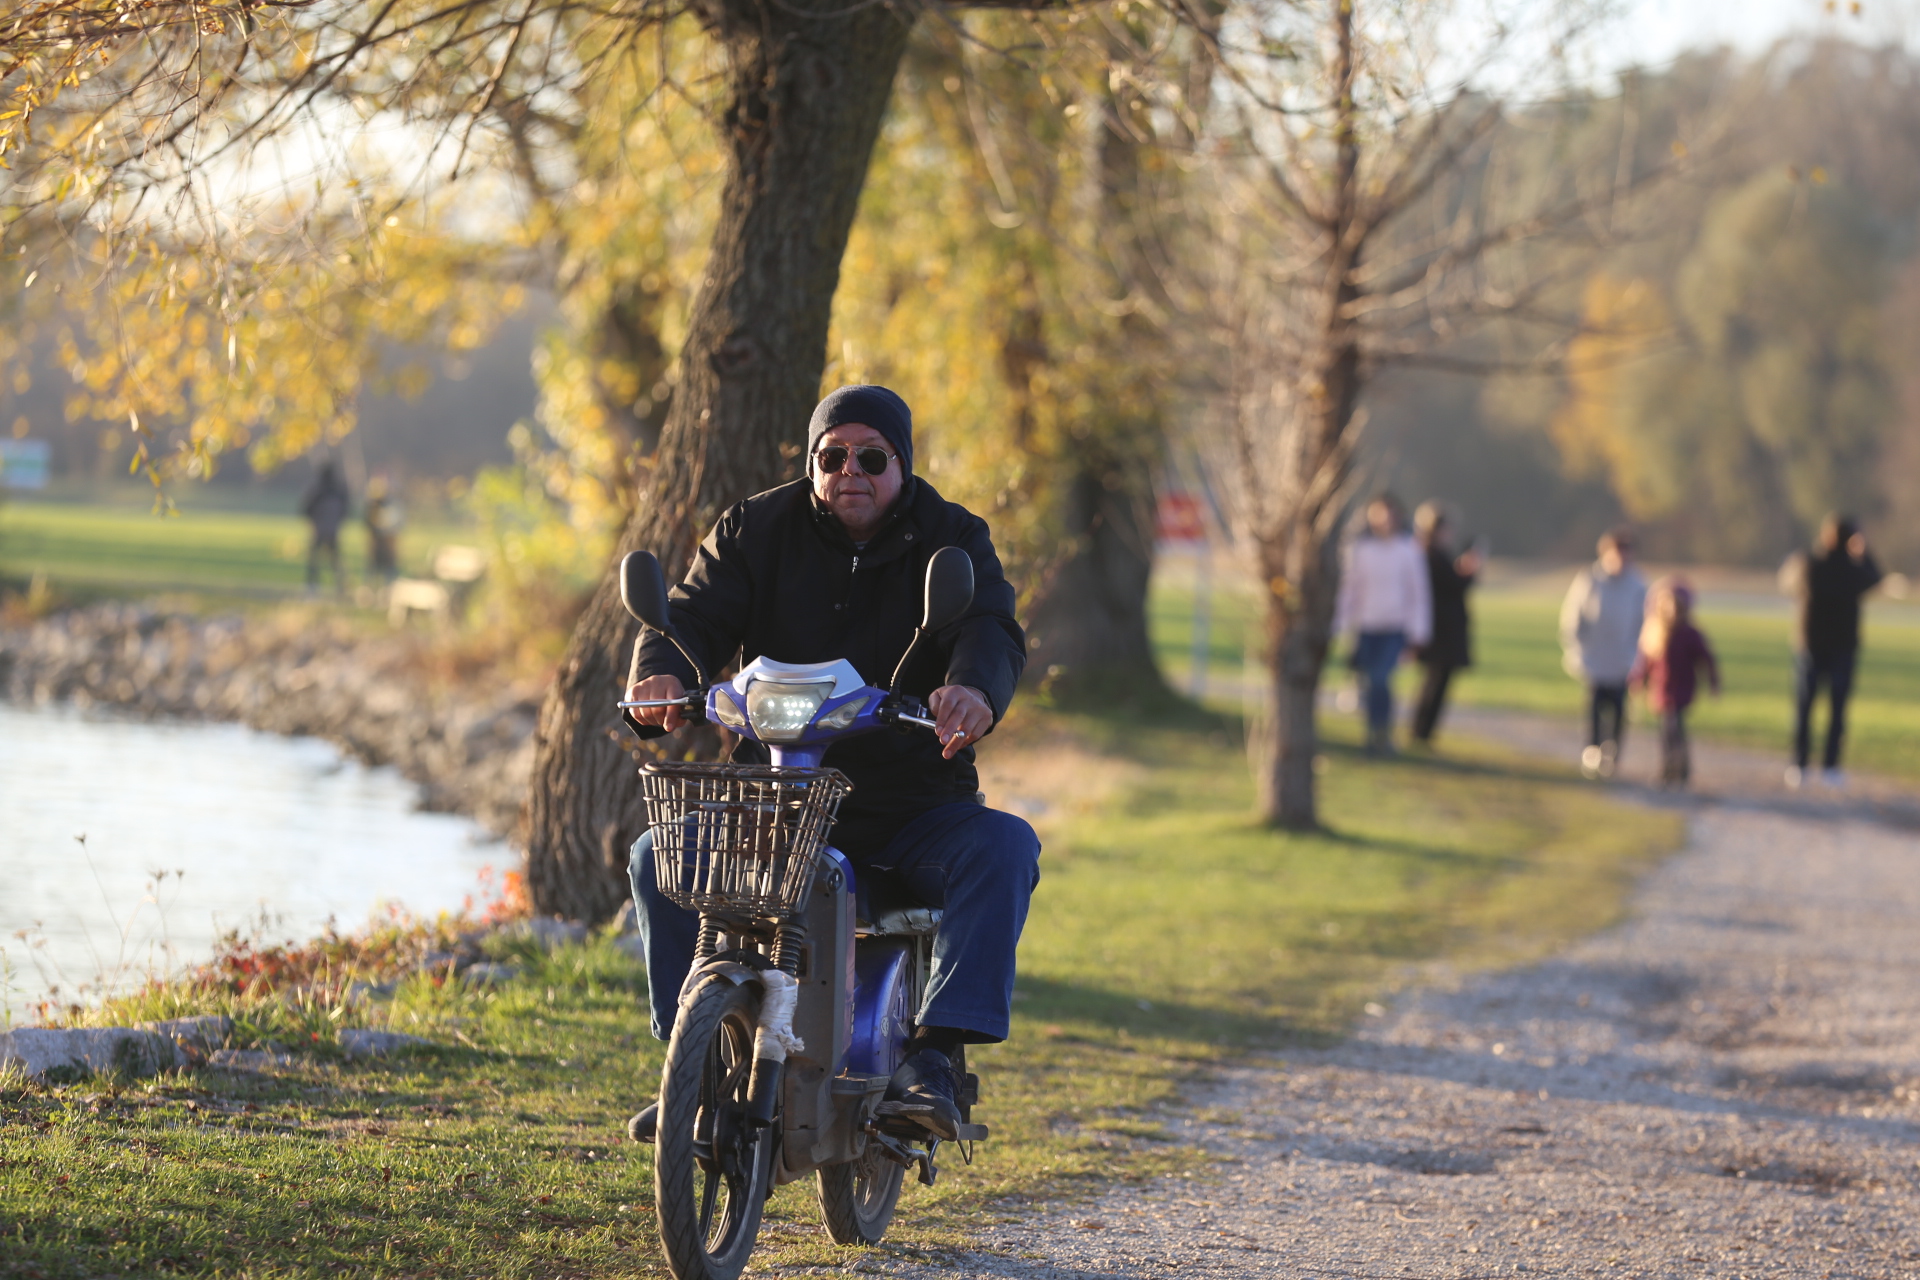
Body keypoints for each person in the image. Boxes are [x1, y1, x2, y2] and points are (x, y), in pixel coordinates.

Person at [623, 385, 1039, 1145]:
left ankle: (937, 1058)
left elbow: (989, 627)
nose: (851, 471)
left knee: (1005, 847)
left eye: (872, 458)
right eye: (832, 456)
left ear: (901, 465)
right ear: (812, 464)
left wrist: (973, 690)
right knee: (659, 855)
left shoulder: (953, 536)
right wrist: (660, 672)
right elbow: (693, 612)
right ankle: (691, 1063)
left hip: (912, 808)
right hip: (775, 803)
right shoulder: (754, 527)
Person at [1780, 513, 1882, 788]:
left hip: (1810, 645)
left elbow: (1788, 583)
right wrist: (1863, 552)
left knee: (1804, 707)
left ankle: (1799, 764)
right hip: (1842, 648)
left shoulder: (1809, 563)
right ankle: (1831, 767)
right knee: (1837, 710)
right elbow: (1875, 578)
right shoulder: (1852, 570)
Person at [1334, 492, 1431, 755]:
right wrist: (1341, 624)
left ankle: (1383, 733)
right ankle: (1372, 734)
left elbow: (1418, 593)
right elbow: (1350, 590)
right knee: (1367, 681)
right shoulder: (1361, 551)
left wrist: (1418, 633)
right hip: (1366, 627)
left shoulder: (1408, 550)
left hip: (1394, 627)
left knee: (1380, 678)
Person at [1560, 527, 1647, 778]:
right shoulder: (1590, 580)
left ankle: (1613, 755)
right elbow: (1573, 617)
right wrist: (1578, 650)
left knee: (1619, 709)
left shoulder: (1637, 585)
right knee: (1595, 707)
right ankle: (1592, 751)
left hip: (1622, 660)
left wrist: (1635, 655)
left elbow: (1642, 623)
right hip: (1595, 657)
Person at [1631, 577, 1719, 788]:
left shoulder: (1690, 634)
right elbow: (1647, 663)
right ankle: (1669, 768)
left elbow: (1706, 659)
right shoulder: (1655, 633)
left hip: (1682, 689)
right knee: (1665, 732)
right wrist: (1638, 681)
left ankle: (1680, 768)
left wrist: (1713, 681)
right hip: (1661, 691)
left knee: (1674, 727)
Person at [1409, 502, 1480, 746]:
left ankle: (1423, 732)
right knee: (1434, 683)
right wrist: (1468, 572)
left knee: (1435, 682)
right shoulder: (1431, 555)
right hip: (1440, 631)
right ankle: (1421, 732)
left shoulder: (1433, 554)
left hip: (1441, 630)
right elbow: (1452, 587)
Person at [299, 460, 350, 595]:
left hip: (319, 530)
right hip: (333, 530)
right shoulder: (339, 491)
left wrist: (314, 521)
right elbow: (345, 511)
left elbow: (306, 509)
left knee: (315, 561)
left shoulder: (317, 490)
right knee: (335, 560)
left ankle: (312, 587)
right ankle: (340, 587)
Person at [363, 474, 403, 584]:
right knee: (375, 568)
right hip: (378, 542)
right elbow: (368, 522)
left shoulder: (391, 505)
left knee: (388, 569)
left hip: (387, 543)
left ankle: (389, 587)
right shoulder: (372, 506)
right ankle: (372, 587)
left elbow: (396, 523)